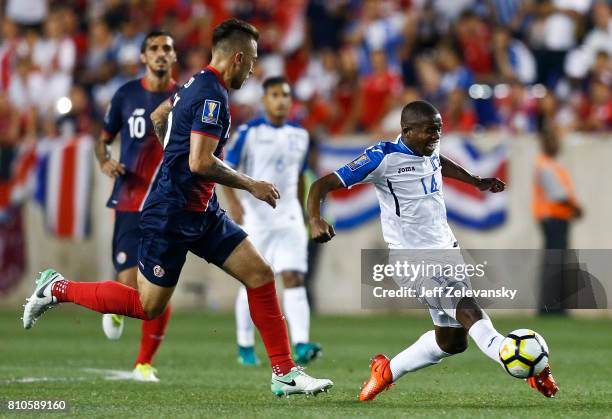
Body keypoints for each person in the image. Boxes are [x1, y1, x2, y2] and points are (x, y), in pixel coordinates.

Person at [23, 18, 333, 397]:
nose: (253, 70)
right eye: (251, 61)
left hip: (200, 211)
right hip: (171, 213)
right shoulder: (212, 96)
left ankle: (284, 372)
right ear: (237, 57)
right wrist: (250, 183)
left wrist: (172, 155)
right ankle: (58, 288)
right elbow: (200, 162)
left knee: (260, 274)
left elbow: (160, 118)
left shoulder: (191, 83)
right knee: (147, 306)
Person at [307, 100, 559, 400]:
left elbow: (439, 163)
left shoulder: (430, 148)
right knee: (467, 308)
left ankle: (386, 371)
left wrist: (475, 181)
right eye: (429, 131)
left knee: (452, 342)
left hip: (447, 252)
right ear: (407, 130)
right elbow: (320, 185)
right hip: (411, 261)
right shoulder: (382, 157)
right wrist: (315, 220)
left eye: (439, 130)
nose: (435, 137)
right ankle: (523, 364)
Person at [92, 31, 178, 382]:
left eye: (167, 49)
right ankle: (115, 305)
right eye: (154, 48)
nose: (161, 53)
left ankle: (144, 362)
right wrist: (105, 161)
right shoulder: (126, 94)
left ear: (173, 57)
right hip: (129, 199)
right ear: (143, 57)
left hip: (168, 202)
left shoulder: (183, 97)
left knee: (157, 285)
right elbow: (103, 141)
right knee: (129, 283)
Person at [223, 76, 321, 366]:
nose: (281, 100)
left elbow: (300, 175)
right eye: (275, 95)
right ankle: (245, 345)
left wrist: (303, 211)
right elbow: (226, 168)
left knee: (294, 277)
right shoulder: (249, 132)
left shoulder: (300, 135)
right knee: (253, 281)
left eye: (285, 95)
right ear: (264, 101)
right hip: (257, 217)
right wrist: (234, 203)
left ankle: (301, 343)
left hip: (289, 217)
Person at [532, 128, 582, 315]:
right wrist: (576, 208)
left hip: (557, 218)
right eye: (550, 140)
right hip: (553, 219)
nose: (554, 144)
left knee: (557, 262)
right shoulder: (545, 165)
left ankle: (556, 306)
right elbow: (558, 195)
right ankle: (551, 308)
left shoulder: (550, 164)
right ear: (544, 144)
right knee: (555, 262)